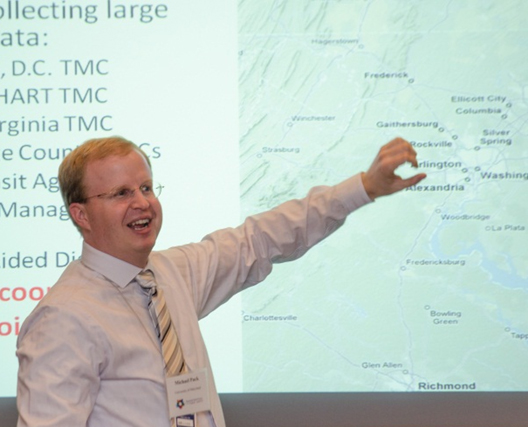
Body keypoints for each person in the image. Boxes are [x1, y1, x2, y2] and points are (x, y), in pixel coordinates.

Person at [15, 136, 426, 427]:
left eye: (146, 187)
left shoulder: (171, 275)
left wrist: (364, 188)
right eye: (121, 193)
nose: (142, 202)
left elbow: (261, 238)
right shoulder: (64, 317)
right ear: (81, 215)